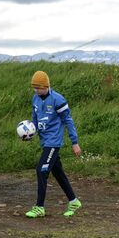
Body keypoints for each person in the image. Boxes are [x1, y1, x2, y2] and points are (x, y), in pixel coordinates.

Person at [24, 70, 83, 218]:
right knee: (58, 173)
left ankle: (39, 207)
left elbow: (68, 121)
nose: (36, 91)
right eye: (34, 88)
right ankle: (74, 201)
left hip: (54, 142)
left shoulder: (58, 99)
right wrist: (31, 131)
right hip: (45, 142)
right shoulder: (35, 99)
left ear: (46, 86)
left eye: (39, 88)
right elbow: (35, 119)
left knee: (41, 170)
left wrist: (74, 142)